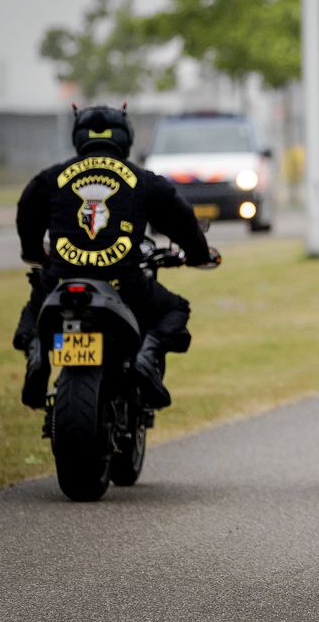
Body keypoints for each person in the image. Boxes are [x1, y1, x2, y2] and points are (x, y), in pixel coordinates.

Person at [12, 104, 217, 410]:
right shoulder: (142, 179)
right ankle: (146, 357)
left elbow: (27, 211)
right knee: (174, 309)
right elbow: (182, 218)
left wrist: (34, 253)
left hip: (61, 279)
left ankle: (37, 352)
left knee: (35, 308)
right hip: (124, 283)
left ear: (78, 137)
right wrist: (198, 254)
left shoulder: (52, 177)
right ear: (125, 138)